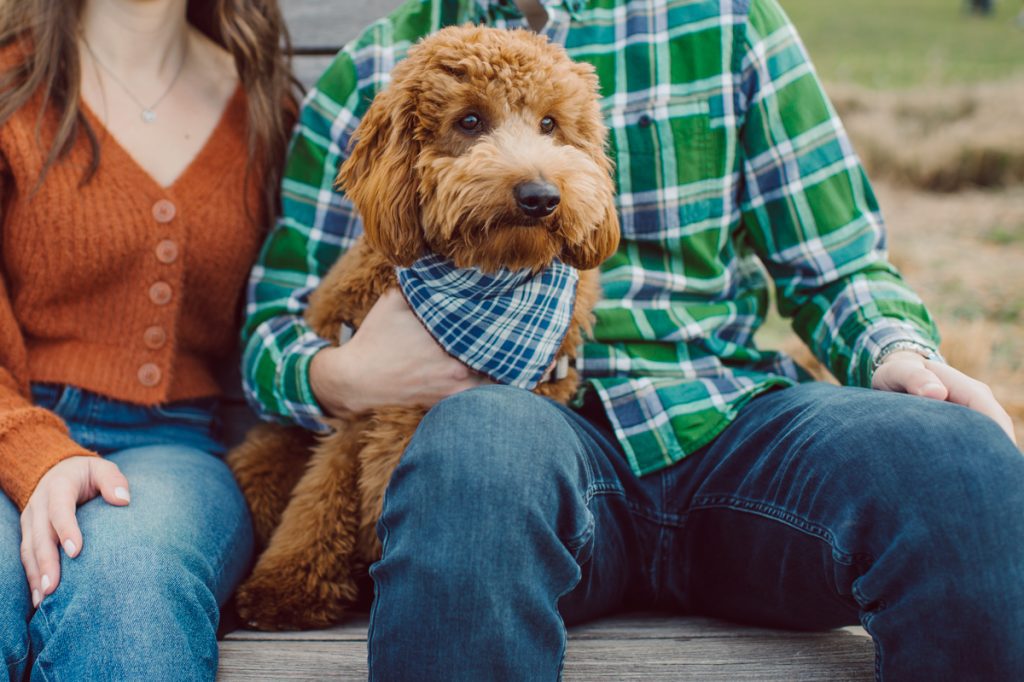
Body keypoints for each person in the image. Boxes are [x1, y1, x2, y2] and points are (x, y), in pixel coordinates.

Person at [242, 0, 1023, 679]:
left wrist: (900, 354)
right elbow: (274, 326)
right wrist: (345, 376)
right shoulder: (381, 64)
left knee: (956, 460)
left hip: (728, 420)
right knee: (471, 447)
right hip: (534, 449)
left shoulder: (728, 21)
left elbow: (840, 265)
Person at [0, 0, 296, 678]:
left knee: (131, 579)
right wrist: (33, 451)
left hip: (176, 446)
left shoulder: (263, 111)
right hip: (8, 424)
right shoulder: (10, 86)